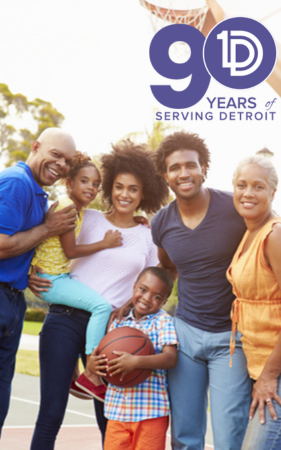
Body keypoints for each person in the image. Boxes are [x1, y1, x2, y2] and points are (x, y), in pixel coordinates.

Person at [29, 140, 169, 450]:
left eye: (133, 189)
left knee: (109, 415)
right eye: (119, 186)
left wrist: (129, 305)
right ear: (109, 187)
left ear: (143, 193)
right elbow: (47, 245)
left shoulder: (147, 236)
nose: (124, 194)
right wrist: (30, 270)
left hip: (111, 332)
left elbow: (153, 284)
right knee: (51, 412)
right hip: (64, 321)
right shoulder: (85, 217)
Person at [150, 131, 252, 450]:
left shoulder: (234, 208)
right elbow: (167, 268)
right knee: (184, 436)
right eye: (175, 167)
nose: (184, 173)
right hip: (185, 336)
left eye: (190, 165)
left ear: (204, 168)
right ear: (165, 175)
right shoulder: (161, 223)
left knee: (229, 436)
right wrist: (142, 303)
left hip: (231, 338)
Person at [0, 127, 77, 435]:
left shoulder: (35, 191)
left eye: (67, 161)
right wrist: (48, 229)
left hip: (13, 300)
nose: (61, 165)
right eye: (55, 155)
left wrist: (29, 269)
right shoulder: (16, 184)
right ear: (35, 147)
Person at [31, 151, 123, 401]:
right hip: (51, 279)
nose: (91, 188)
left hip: (59, 276)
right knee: (101, 306)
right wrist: (105, 243)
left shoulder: (80, 210)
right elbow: (71, 251)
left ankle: (73, 374)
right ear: (69, 182)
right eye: (85, 181)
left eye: (95, 184)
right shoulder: (67, 208)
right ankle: (92, 375)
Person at [227, 156, 281, 450]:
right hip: (264, 362)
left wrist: (269, 376)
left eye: (258, 186)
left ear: (273, 192)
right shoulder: (250, 232)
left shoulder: (276, 235)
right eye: (241, 185)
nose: (248, 193)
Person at [91, 266, 178, 450]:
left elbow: (170, 358)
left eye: (156, 296)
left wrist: (136, 362)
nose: (147, 298)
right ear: (134, 287)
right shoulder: (118, 322)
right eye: (143, 290)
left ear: (164, 301)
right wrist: (95, 364)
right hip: (117, 412)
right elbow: (104, 356)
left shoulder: (163, 322)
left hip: (150, 412)